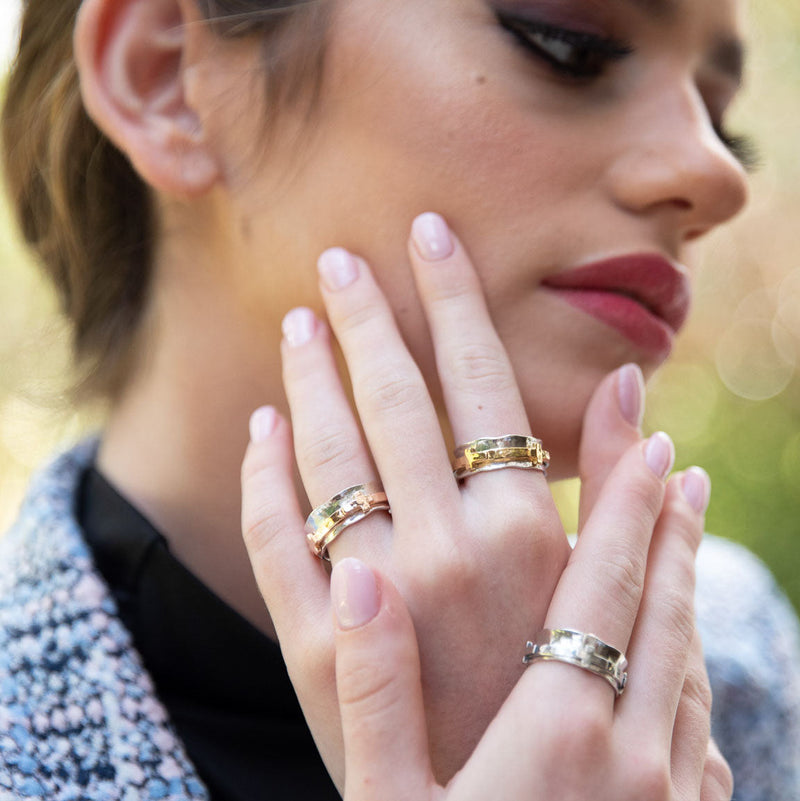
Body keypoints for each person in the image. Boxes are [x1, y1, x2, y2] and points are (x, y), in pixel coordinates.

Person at [1, 0, 798, 799]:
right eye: (567, 44)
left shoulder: (741, 667)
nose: (716, 174)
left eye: (728, 127)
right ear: (167, 77)